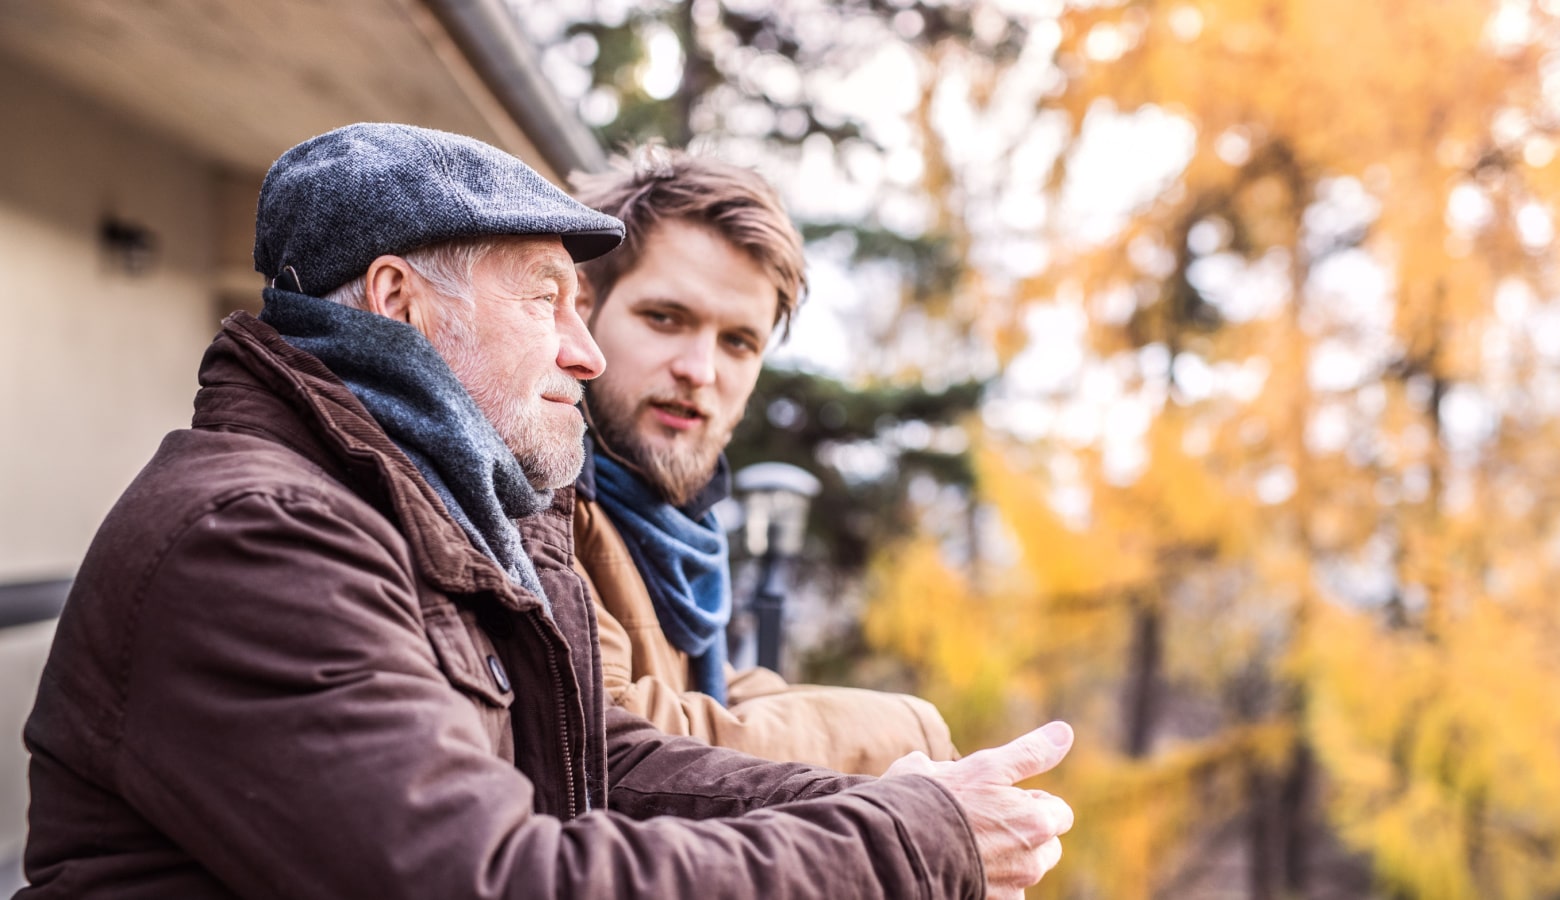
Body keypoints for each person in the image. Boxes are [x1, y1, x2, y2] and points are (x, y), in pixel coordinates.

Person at [19, 123, 1074, 899]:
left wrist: (886, 808)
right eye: (544, 300)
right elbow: (491, 879)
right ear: (398, 303)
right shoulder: (256, 538)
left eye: (581, 304)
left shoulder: (452, 515)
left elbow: (597, 761)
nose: (586, 351)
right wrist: (905, 844)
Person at [566, 150, 957, 774]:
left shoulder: (675, 530)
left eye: (738, 342)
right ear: (581, 304)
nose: (700, 370)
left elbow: (710, 695)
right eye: (665, 318)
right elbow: (609, 731)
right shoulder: (542, 490)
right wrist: (916, 734)